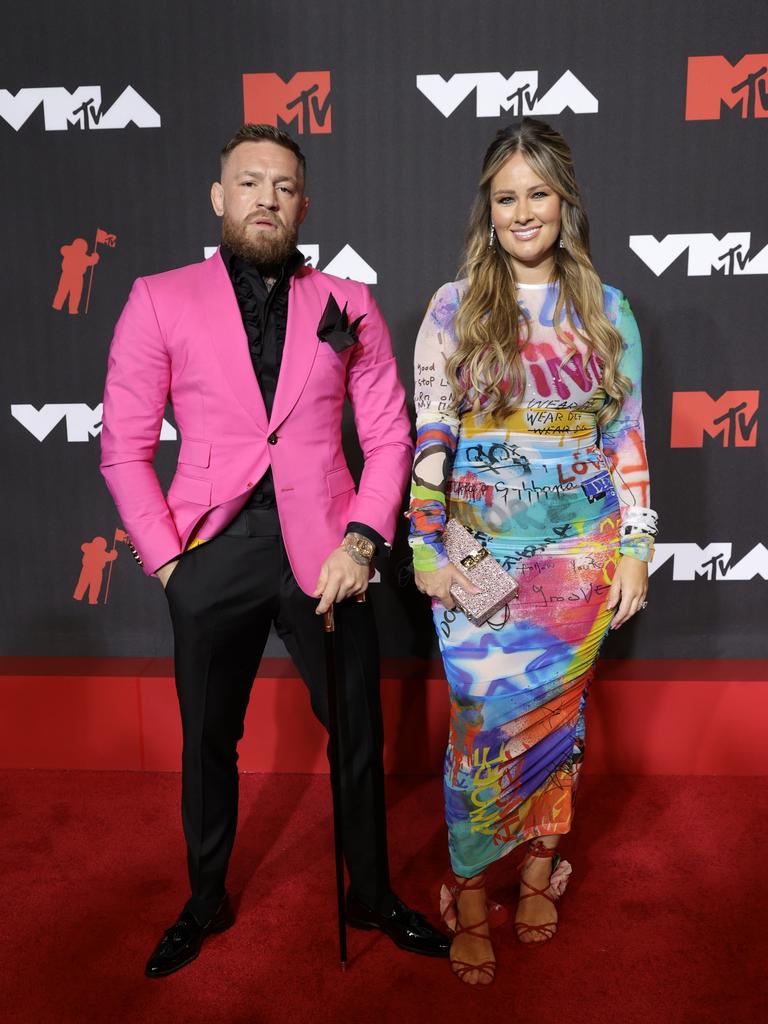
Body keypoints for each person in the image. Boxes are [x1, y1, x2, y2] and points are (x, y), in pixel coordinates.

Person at [100, 123, 449, 978]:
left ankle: (370, 894)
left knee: (358, 737)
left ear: (304, 203)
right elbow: (123, 447)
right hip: (211, 549)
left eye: (284, 186)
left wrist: (363, 540)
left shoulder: (348, 301)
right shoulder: (158, 297)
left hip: (328, 550)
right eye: (249, 182)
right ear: (220, 198)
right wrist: (171, 566)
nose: (267, 197)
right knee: (207, 743)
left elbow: (391, 434)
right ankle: (205, 900)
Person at [407, 117, 657, 986]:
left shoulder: (608, 309)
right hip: (477, 563)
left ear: (564, 201)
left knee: (558, 729)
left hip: (579, 564)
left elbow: (625, 437)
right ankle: (471, 890)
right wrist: (422, 542)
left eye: (537, 194)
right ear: (489, 208)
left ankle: (543, 867)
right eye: (506, 196)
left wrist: (636, 546)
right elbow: (432, 433)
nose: (523, 211)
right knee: (480, 731)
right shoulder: (452, 307)